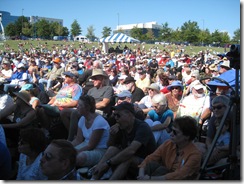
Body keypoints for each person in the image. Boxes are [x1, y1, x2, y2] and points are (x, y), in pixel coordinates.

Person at [90, 102, 157, 180]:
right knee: (112, 149)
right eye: (114, 115)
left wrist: (108, 163)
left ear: (129, 115)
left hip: (147, 162)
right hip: (134, 160)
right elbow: (109, 146)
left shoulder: (142, 127)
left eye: (118, 115)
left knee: (128, 158)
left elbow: (131, 151)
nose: (116, 118)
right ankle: (94, 179)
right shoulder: (121, 126)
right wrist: (112, 135)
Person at [137, 116, 202, 180]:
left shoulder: (194, 155)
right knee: (151, 166)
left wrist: (150, 179)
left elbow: (181, 175)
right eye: (171, 130)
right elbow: (150, 158)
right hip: (165, 176)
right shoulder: (168, 144)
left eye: (175, 132)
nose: (171, 134)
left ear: (187, 136)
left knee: (160, 170)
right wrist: (141, 175)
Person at [71, 95, 110, 168]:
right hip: (86, 144)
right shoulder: (82, 119)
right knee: (65, 152)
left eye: (80, 105)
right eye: (77, 104)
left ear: (88, 108)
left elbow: (91, 145)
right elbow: (78, 140)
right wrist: (66, 146)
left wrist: (74, 153)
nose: (77, 107)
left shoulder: (99, 122)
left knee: (78, 158)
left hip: (100, 150)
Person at [195, 95, 232, 166]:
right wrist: (211, 149)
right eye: (213, 108)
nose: (215, 110)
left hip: (228, 148)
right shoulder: (214, 119)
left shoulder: (234, 118)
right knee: (195, 147)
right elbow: (209, 139)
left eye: (219, 107)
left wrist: (218, 150)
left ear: (227, 107)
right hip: (216, 147)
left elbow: (235, 144)